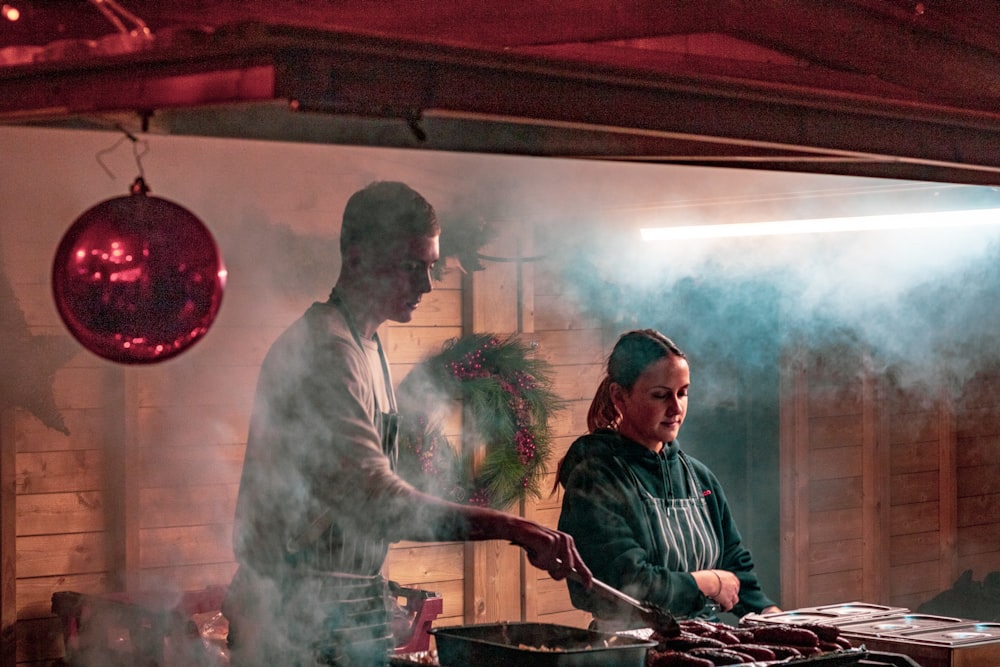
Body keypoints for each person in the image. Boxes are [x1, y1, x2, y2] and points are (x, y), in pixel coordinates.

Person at [224, 181, 592, 666]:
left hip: (346, 612)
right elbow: (377, 500)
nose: (426, 285)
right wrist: (512, 527)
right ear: (356, 259)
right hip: (292, 616)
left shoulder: (368, 345)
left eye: (431, 267)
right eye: (409, 266)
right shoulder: (326, 352)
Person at [556, 329, 779, 628]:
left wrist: (772, 615)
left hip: (703, 640)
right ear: (619, 397)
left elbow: (733, 560)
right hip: (628, 650)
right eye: (660, 395)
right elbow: (627, 584)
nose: (676, 408)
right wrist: (708, 582)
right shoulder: (595, 479)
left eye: (683, 393)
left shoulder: (699, 478)